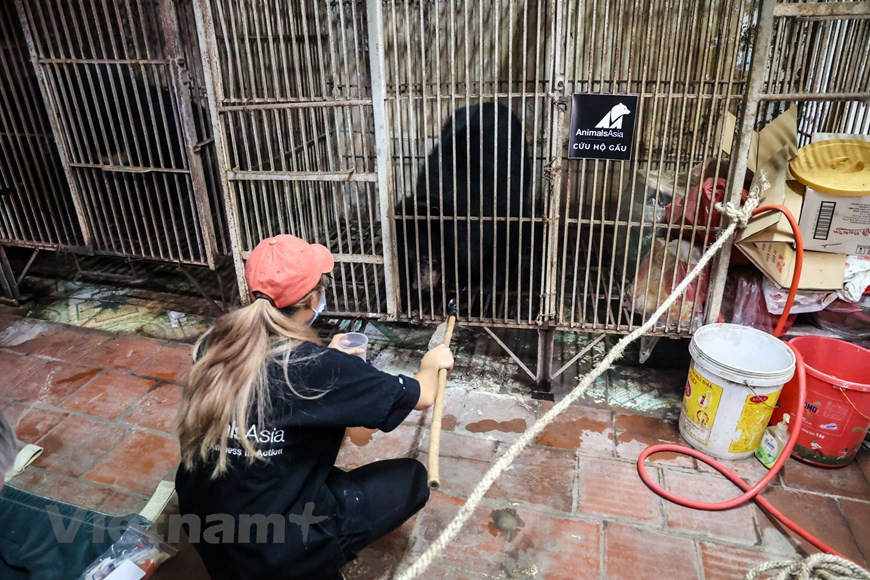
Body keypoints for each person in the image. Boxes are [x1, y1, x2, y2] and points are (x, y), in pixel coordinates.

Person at [175, 234, 453, 579]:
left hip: (203, 523)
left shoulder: (216, 344)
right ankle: (312, 562)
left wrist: (333, 362)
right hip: (275, 552)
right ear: (314, 299)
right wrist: (432, 361)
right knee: (411, 479)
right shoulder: (319, 368)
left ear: (253, 295)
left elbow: (289, 381)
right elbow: (423, 394)